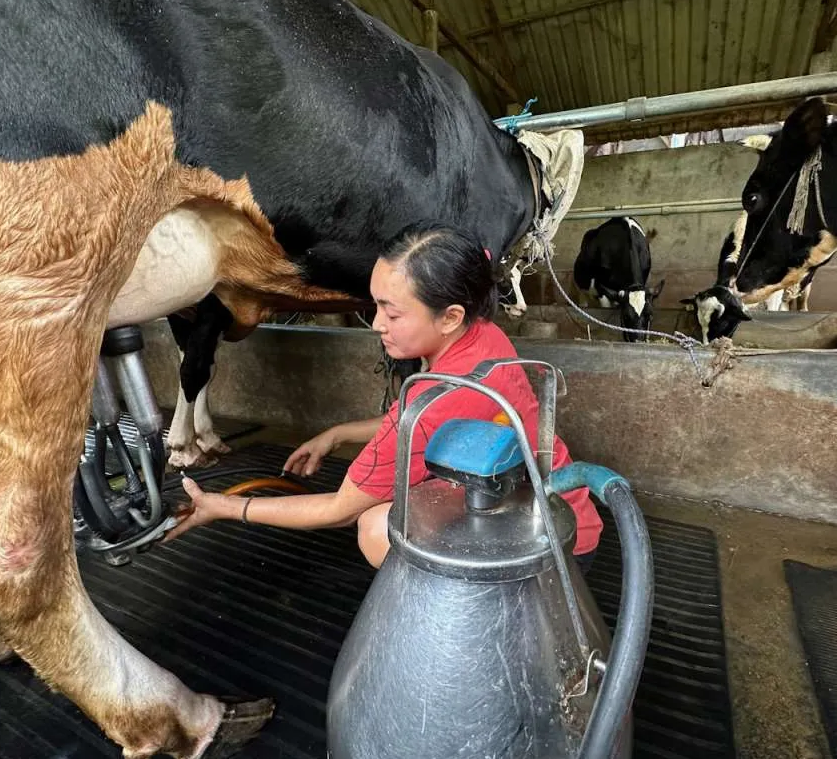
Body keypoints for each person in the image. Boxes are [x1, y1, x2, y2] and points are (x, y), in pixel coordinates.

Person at [169, 221, 603, 571]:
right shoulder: (481, 336)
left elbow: (337, 508)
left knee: (374, 524)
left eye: (391, 312)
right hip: (562, 515)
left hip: (550, 557)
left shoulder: (436, 401)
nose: (377, 324)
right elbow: (430, 422)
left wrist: (223, 507)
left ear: (450, 315)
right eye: (376, 306)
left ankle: (455, 625)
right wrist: (338, 433)